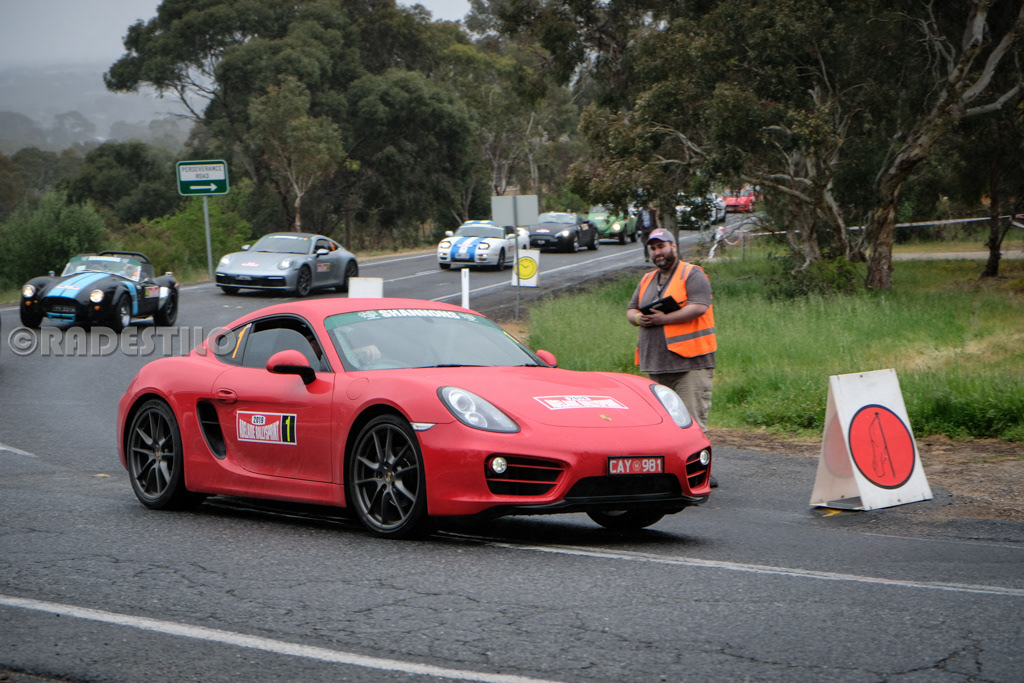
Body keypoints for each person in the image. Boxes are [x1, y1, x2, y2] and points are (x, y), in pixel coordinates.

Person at [627, 228, 717, 486]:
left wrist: (664, 319)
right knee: (662, 425)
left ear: (674, 246)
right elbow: (631, 310)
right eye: (654, 248)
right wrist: (639, 318)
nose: (658, 252)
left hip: (690, 364)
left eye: (662, 246)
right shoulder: (647, 279)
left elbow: (699, 306)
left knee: (692, 424)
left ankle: (699, 475)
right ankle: (667, 475)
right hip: (656, 365)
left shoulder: (692, 273)